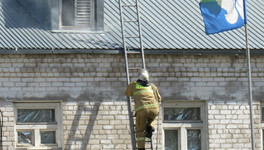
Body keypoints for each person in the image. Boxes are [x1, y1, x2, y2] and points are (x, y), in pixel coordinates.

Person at [125, 69, 162, 150]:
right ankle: (151, 127)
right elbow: (159, 98)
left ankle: (141, 148)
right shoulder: (153, 86)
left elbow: (127, 93)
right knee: (152, 117)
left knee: (140, 130)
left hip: (142, 110)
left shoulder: (134, 85)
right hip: (154, 109)